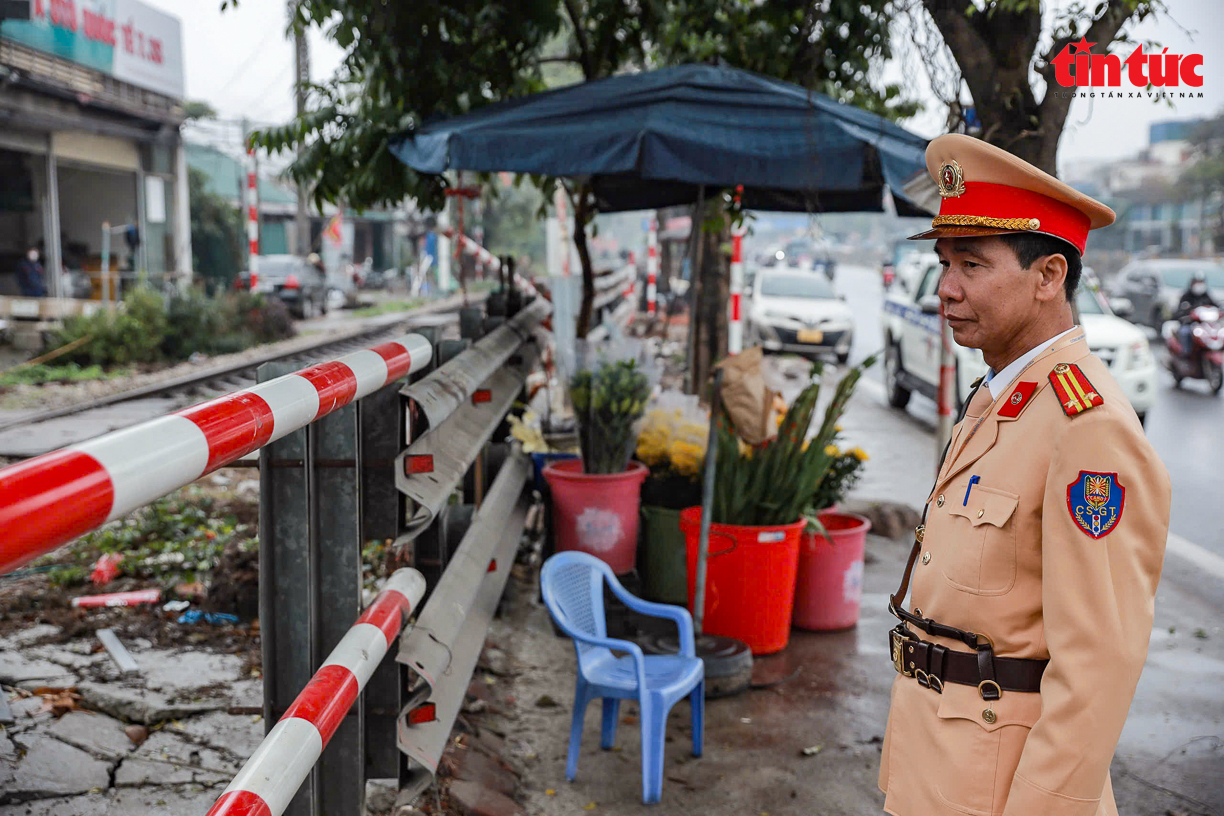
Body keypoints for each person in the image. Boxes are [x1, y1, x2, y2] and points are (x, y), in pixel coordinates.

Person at [878, 134, 1171, 816]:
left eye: (973, 264)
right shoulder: (1002, 395)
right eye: (945, 261)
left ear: (1048, 278)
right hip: (938, 763)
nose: (946, 288)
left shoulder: (1087, 427)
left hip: (1003, 790)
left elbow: (1097, 669)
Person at [1173, 271, 1218, 354]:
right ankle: (1186, 353)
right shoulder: (1186, 296)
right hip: (1190, 324)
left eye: (1201, 282)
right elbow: (1179, 311)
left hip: (1205, 326)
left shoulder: (1206, 296)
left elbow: (1215, 306)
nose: (1199, 285)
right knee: (1185, 332)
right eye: (1197, 282)